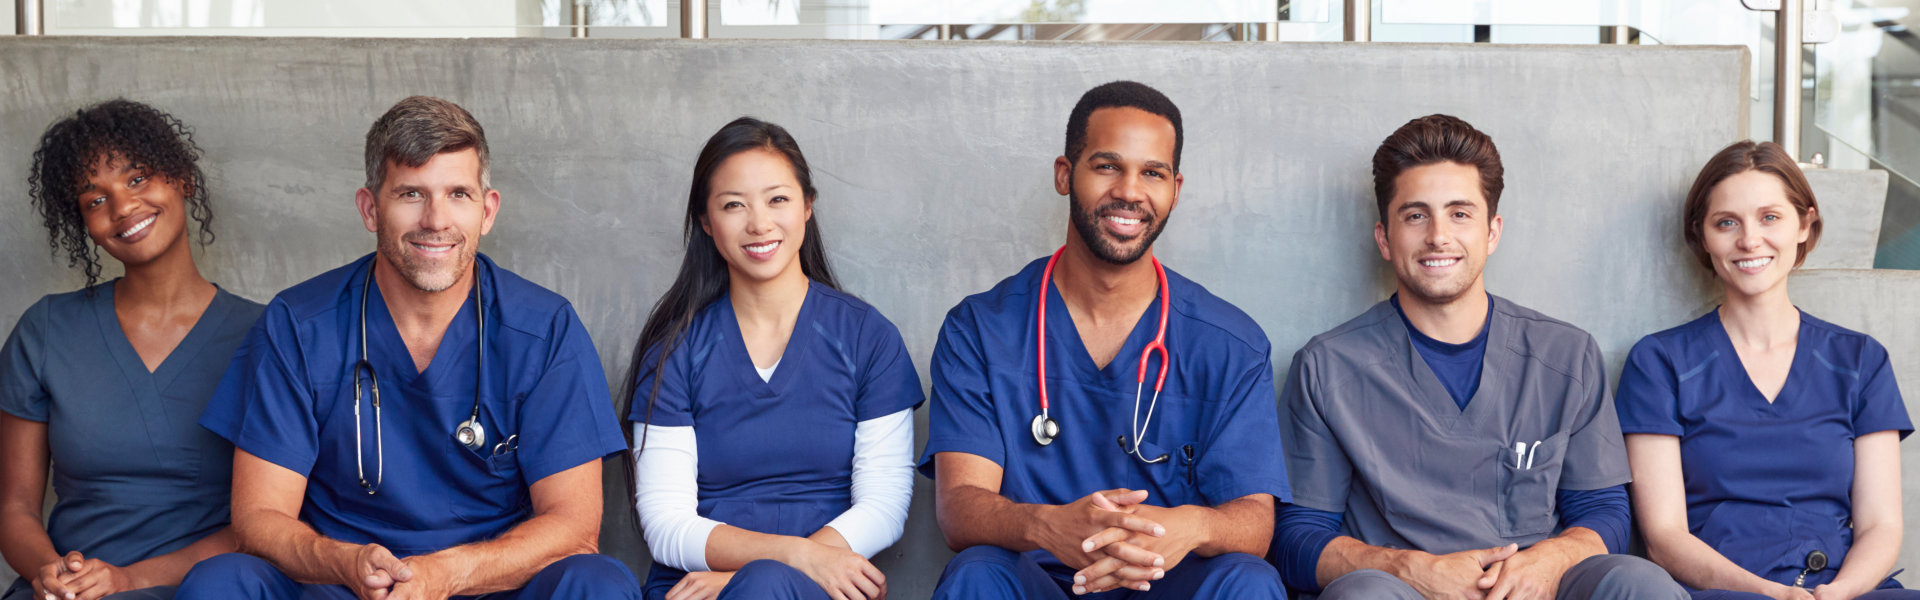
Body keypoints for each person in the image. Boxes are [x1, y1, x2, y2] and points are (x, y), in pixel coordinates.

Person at [172, 96, 640, 600]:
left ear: (488, 211)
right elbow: (258, 520)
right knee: (220, 583)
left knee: (600, 584)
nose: (436, 220)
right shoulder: (299, 325)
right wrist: (345, 562)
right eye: (411, 193)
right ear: (371, 209)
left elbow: (573, 527)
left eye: (458, 193)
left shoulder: (544, 329)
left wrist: (447, 574)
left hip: (488, 585)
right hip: (343, 586)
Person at [1274, 114, 1687, 600]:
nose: (1438, 236)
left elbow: (1603, 509)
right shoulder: (1327, 368)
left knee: (1638, 583)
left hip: (1539, 589)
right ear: (1385, 238)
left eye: (1460, 213)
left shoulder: (1565, 356)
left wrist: (1552, 559)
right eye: (1415, 215)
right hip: (1401, 593)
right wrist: (1409, 570)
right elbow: (1299, 535)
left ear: (1492, 232)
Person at [919, 80, 1290, 600]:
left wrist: (1190, 526)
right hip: (1037, 584)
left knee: (1248, 581)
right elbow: (960, 507)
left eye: (1152, 173)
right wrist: (1048, 526)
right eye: (1107, 166)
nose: (1130, 192)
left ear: (1175, 190)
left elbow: (1255, 522)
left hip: (1167, 585)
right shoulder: (981, 330)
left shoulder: (1229, 344)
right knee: (978, 572)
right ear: (1065, 175)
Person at [624, 117, 923, 600]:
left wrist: (774, 573)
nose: (759, 223)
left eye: (777, 199)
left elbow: (883, 507)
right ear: (706, 221)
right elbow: (665, 523)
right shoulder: (676, 350)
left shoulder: (868, 337)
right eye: (733, 205)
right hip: (697, 590)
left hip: (824, 588)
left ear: (807, 206)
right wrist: (793, 556)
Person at [1617, 140, 1914, 600]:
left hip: (1844, 592)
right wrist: (1771, 594)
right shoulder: (1659, 362)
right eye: (1726, 223)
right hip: (1721, 593)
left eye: (1770, 217)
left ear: (1804, 224)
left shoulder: (1861, 360)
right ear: (1701, 236)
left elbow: (1881, 524)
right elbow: (1664, 537)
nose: (1750, 240)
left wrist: (1837, 593)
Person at [1, 99, 263, 600]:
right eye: (94, 200)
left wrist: (129, 580)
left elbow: (273, 522)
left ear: (181, 178)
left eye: (137, 179)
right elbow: (14, 508)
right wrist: (52, 574)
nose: (122, 208)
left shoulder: (265, 335)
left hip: (204, 589)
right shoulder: (48, 330)